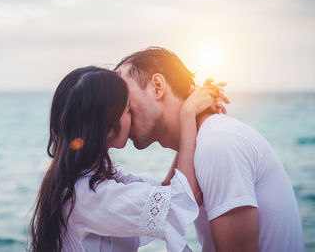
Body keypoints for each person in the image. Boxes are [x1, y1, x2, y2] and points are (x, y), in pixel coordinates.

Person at [115, 46, 305, 252]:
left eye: (123, 97)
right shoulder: (205, 140)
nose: (116, 111)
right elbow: (172, 200)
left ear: (158, 87)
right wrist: (189, 115)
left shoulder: (218, 144)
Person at [29, 66, 226, 252]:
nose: (133, 118)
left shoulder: (88, 178)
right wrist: (188, 114)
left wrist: (190, 113)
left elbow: (166, 192)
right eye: (128, 110)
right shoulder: (87, 194)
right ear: (106, 128)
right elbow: (180, 202)